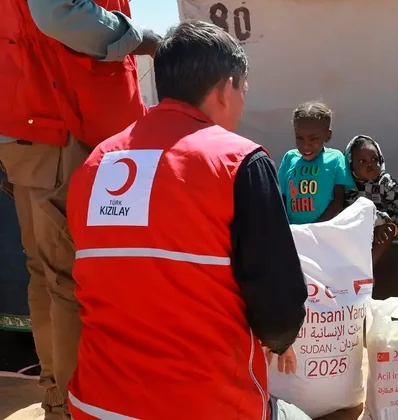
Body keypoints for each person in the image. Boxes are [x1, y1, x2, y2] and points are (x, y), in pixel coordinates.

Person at [64, 21, 311, 419]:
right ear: (226, 86)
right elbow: (280, 308)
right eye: (243, 91)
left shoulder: (96, 164)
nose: (242, 104)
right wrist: (281, 340)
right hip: (207, 407)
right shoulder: (238, 161)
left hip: (95, 405)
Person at [0, 1, 159, 417]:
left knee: (48, 274)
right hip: (64, 126)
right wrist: (139, 37)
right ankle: (78, 406)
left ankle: (61, 399)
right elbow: (57, 14)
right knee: (71, 278)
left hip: (37, 128)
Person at [278, 101, 356, 224]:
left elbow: (338, 200)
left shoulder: (336, 158)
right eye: (299, 138)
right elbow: (282, 197)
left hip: (323, 233)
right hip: (293, 232)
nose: (305, 146)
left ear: (327, 135)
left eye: (313, 138)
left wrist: (317, 228)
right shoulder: (289, 158)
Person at [344, 135, 398, 264]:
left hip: (381, 224)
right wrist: (370, 225)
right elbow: (349, 210)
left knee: (390, 229)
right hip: (356, 225)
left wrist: (379, 224)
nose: (370, 165)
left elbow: (393, 208)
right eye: (362, 161)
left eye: (374, 159)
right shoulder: (349, 185)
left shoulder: (386, 182)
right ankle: (352, 267)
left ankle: (368, 267)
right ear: (351, 164)